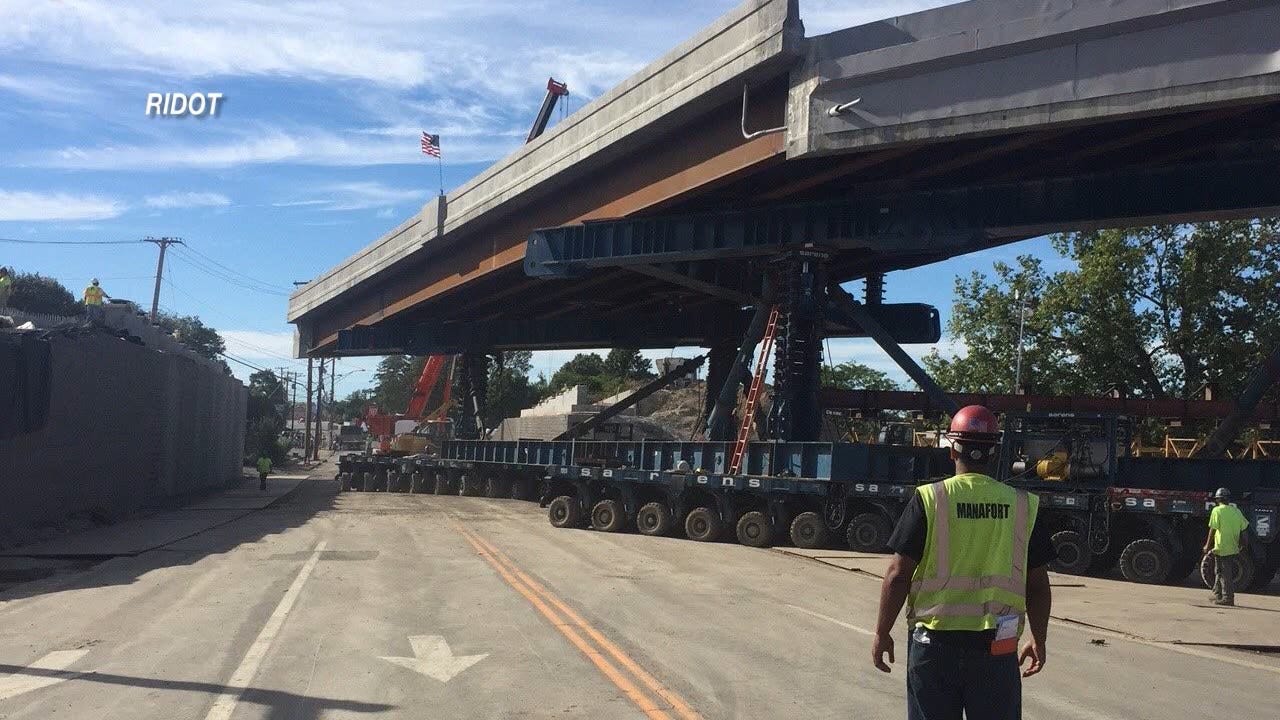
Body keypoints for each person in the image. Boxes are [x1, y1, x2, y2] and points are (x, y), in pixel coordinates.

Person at [873, 405, 1054, 720]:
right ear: (995, 453)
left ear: (952, 450)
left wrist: (881, 632)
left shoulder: (930, 498)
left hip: (934, 645)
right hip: (998, 646)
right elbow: (1037, 586)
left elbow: (897, 576)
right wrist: (1038, 638)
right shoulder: (1024, 505)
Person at [1203, 487, 1249, 606]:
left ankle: (1228, 598)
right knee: (1218, 571)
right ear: (1228, 500)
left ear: (1218, 500)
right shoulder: (1236, 511)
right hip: (1232, 546)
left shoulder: (1217, 511)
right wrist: (1244, 544)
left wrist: (1207, 545)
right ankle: (1218, 594)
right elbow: (1244, 530)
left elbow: (1212, 529)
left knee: (1224, 573)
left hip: (1221, 546)